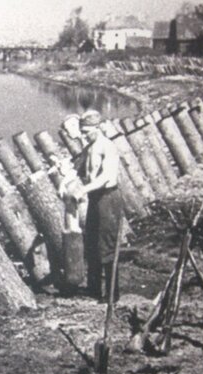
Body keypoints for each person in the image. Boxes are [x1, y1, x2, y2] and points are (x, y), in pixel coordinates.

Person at [72, 110, 125, 301]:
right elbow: (75, 169)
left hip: (108, 199)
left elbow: (106, 177)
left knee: (107, 246)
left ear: (98, 127)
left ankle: (112, 294)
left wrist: (83, 190)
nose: (84, 136)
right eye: (82, 132)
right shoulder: (89, 148)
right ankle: (93, 289)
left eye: (87, 132)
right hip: (95, 198)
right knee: (92, 245)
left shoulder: (107, 147)